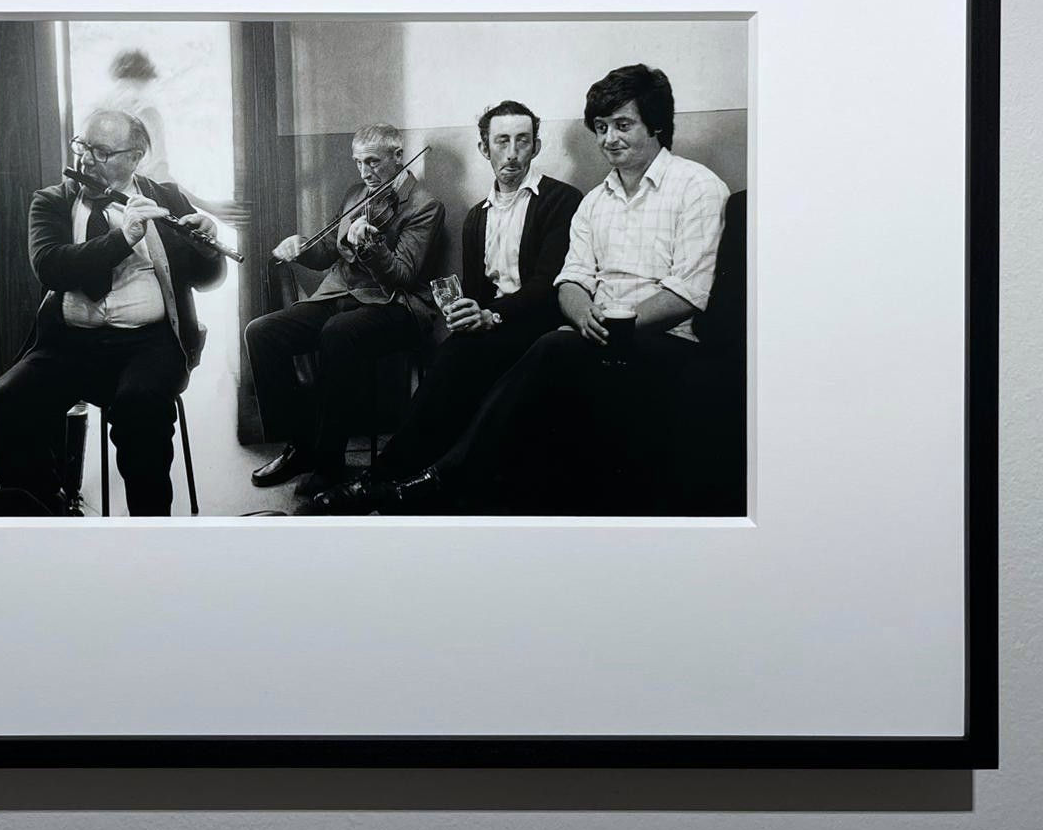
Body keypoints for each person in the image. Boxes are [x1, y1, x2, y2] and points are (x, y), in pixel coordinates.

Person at [306, 64, 730, 515]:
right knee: (459, 351)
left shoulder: (695, 187)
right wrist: (574, 314)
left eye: (623, 125)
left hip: (659, 339)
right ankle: (384, 477)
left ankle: (433, 483)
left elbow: (687, 291)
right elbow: (573, 278)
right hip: (587, 333)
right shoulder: (593, 200)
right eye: (602, 128)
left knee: (547, 349)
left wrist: (600, 325)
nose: (609, 139)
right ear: (485, 149)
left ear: (657, 126)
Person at [303, 101, 582, 512]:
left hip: (537, 323)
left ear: (536, 147)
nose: (512, 153)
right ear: (485, 148)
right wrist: (466, 311)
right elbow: (473, 289)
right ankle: (392, 479)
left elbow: (546, 285)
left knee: (462, 360)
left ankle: (395, 483)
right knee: (450, 354)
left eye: (522, 141)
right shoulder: (477, 217)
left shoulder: (561, 200)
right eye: (501, 141)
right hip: (493, 324)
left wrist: (492, 315)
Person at [0, 108, 225, 516]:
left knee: (142, 408)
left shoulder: (165, 197)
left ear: (134, 157)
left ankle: (149, 536)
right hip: (69, 345)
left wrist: (206, 248)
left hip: (148, 346)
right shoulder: (51, 202)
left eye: (100, 152)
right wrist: (123, 237)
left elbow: (205, 279)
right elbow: (52, 266)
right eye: (83, 146)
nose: (85, 159)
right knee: (1, 407)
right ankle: (50, 507)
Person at [244, 123, 446, 493]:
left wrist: (372, 246)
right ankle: (300, 445)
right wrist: (302, 246)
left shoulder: (425, 206)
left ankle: (329, 461)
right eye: (358, 163)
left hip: (394, 304)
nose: (365, 172)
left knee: (338, 333)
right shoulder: (356, 195)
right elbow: (327, 254)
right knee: (262, 332)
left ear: (398, 157)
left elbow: (402, 275)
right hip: (339, 294)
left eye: (373, 162)